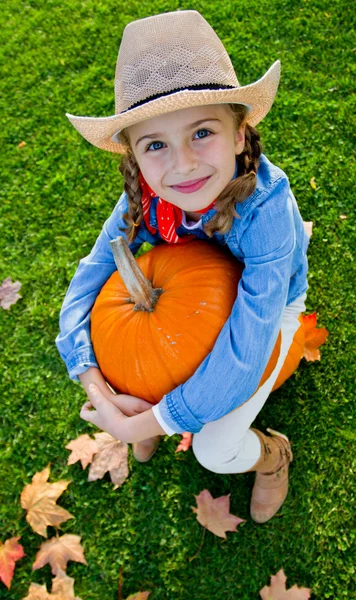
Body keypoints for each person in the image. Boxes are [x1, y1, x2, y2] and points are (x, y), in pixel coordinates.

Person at [55, 10, 310, 524]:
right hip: (190, 290)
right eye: (156, 145)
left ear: (240, 134)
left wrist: (146, 421)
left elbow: (243, 351)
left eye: (202, 133)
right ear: (135, 162)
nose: (183, 165)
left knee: (213, 450)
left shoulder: (266, 214)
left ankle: (272, 455)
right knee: (126, 349)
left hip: (268, 306)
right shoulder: (145, 198)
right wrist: (93, 381)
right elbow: (86, 286)